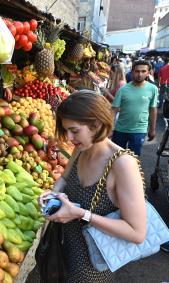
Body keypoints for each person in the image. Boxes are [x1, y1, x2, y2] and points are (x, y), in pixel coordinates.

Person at [39, 90, 146, 282]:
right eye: (66, 131)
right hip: (63, 250)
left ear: (96, 125)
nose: (69, 138)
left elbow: (137, 232)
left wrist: (81, 214)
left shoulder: (122, 164)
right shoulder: (81, 149)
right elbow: (64, 178)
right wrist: (52, 194)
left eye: (74, 130)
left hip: (92, 268)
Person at [111, 60, 158, 156]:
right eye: (137, 71)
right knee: (116, 157)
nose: (140, 74)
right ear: (132, 72)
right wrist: (110, 128)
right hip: (120, 129)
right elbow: (114, 110)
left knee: (133, 159)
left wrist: (152, 129)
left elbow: (153, 109)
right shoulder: (123, 89)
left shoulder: (153, 89)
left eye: (143, 71)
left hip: (139, 130)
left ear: (148, 73)